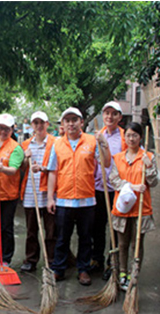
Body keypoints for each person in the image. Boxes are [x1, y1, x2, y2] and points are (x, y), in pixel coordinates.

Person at [46, 107, 111, 286]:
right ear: (63, 124)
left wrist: (103, 143)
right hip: (64, 199)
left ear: (81, 122)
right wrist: (51, 198)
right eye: (67, 120)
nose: (71, 123)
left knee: (85, 237)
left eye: (74, 119)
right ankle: (58, 269)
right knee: (62, 238)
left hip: (87, 200)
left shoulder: (92, 141)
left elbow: (106, 163)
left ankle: (83, 270)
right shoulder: (57, 144)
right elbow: (53, 172)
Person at [108, 122, 158, 291]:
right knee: (122, 243)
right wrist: (132, 186)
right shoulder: (118, 157)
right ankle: (122, 273)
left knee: (137, 243)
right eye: (128, 135)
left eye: (135, 135)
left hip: (140, 208)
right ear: (125, 137)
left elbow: (153, 182)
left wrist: (149, 166)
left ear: (140, 137)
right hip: (122, 208)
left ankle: (134, 272)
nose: (131, 138)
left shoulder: (148, 157)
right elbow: (114, 180)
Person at [91, 101, 128, 279]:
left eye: (114, 114)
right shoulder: (97, 135)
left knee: (115, 227)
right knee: (97, 226)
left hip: (117, 189)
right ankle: (96, 259)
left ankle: (112, 263)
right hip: (99, 187)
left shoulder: (124, 136)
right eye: (107, 113)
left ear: (119, 117)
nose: (110, 117)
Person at [19, 111, 56, 272]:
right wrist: (25, 160)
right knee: (31, 231)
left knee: (51, 231)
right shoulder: (25, 144)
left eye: (42, 122)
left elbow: (58, 167)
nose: (39, 126)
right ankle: (31, 259)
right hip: (30, 192)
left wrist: (42, 168)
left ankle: (52, 260)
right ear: (32, 125)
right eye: (36, 123)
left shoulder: (55, 143)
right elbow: (20, 169)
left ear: (47, 124)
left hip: (49, 192)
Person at [0, 114, 24, 267]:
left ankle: (6, 258)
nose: (3, 131)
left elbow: (14, 169)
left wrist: (3, 168)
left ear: (12, 129)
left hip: (8, 195)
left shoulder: (16, 148)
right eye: (1, 128)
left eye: (7, 128)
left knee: (6, 227)